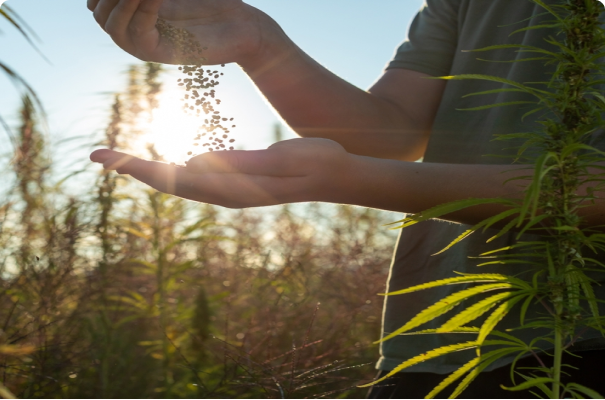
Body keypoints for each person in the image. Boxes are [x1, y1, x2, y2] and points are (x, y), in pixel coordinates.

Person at [86, 0, 605, 398]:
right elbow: (387, 139)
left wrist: (346, 180)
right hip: (437, 342)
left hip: (585, 340)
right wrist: (260, 43)